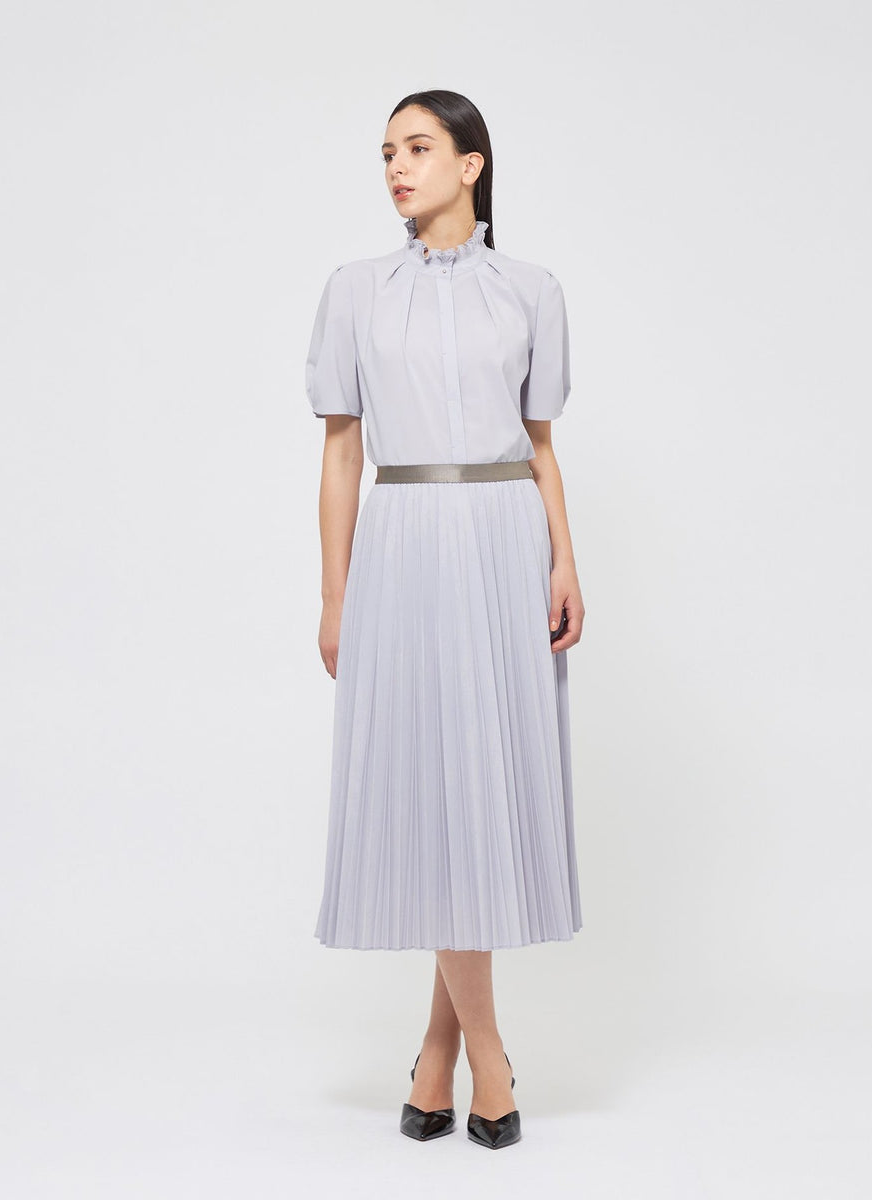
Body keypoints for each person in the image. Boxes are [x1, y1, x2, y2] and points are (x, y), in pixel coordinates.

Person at [305, 90, 586, 1150]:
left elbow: (540, 443)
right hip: (406, 542)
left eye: (418, 148)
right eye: (386, 151)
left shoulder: (532, 290)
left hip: (506, 540)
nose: (395, 166)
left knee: (479, 788)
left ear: (471, 164)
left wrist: (565, 559)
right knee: (434, 791)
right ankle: (488, 1055)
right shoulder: (354, 291)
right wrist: (335, 593)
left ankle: (439, 1052)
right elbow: (340, 451)